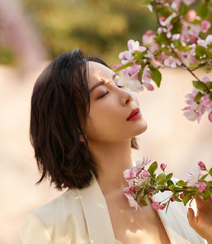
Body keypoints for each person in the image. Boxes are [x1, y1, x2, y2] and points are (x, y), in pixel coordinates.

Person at [21, 49, 212, 244]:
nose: (127, 95)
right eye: (103, 93)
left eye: (120, 83)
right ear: (74, 127)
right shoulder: (50, 227)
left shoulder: (184, 201)